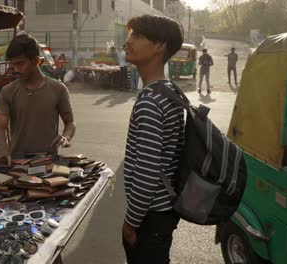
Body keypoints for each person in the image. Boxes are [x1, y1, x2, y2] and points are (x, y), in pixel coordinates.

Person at [122, 15, 185, 264]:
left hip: (151, 215)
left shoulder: (150, 101)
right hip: (164, 211)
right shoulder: (169, 90)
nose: (128, 41)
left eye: (137, 36)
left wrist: (131, 222)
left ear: (160, 45)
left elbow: (146, 172)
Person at [0, 34, 76, 167]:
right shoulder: (8, 91)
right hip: (16, 161)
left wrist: (65, 137)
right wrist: (3, 150)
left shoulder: (58, 89)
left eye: (20, 64)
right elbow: (0, 126)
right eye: (13, 65)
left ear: (36, 61)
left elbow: (70, 122)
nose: (16, 70)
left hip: (48, 161)